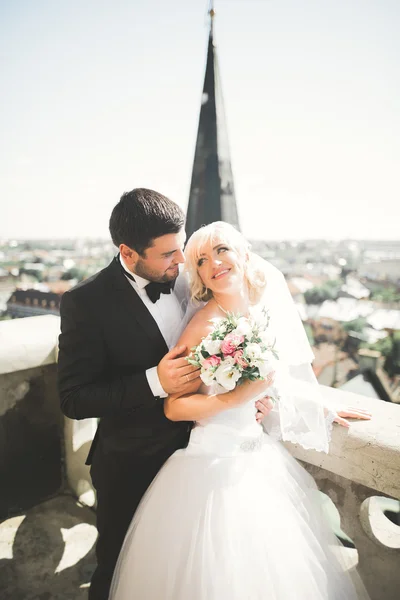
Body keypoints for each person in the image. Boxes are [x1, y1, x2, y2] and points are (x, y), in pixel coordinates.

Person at [108, 221, 372, 600]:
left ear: (243, 255)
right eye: (201, 260)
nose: (213, 262)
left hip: (259, 460)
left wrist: (318, 405)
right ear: (197, 274)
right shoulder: (203, 324)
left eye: (221, 251)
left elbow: (272, 379)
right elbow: (173, 406)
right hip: (209, 463)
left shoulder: (260, 313)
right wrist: (232, 400)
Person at [57, 189, 272, 600]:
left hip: (203, 460)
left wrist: (245, 394)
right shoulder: (85, 303)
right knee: (121, 570)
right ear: (128, 252)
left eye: (182, 247)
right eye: (168, 255)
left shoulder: (191, 279)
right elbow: (74, 398)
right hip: (132, 464)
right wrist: (155, 381)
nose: (182, 262)